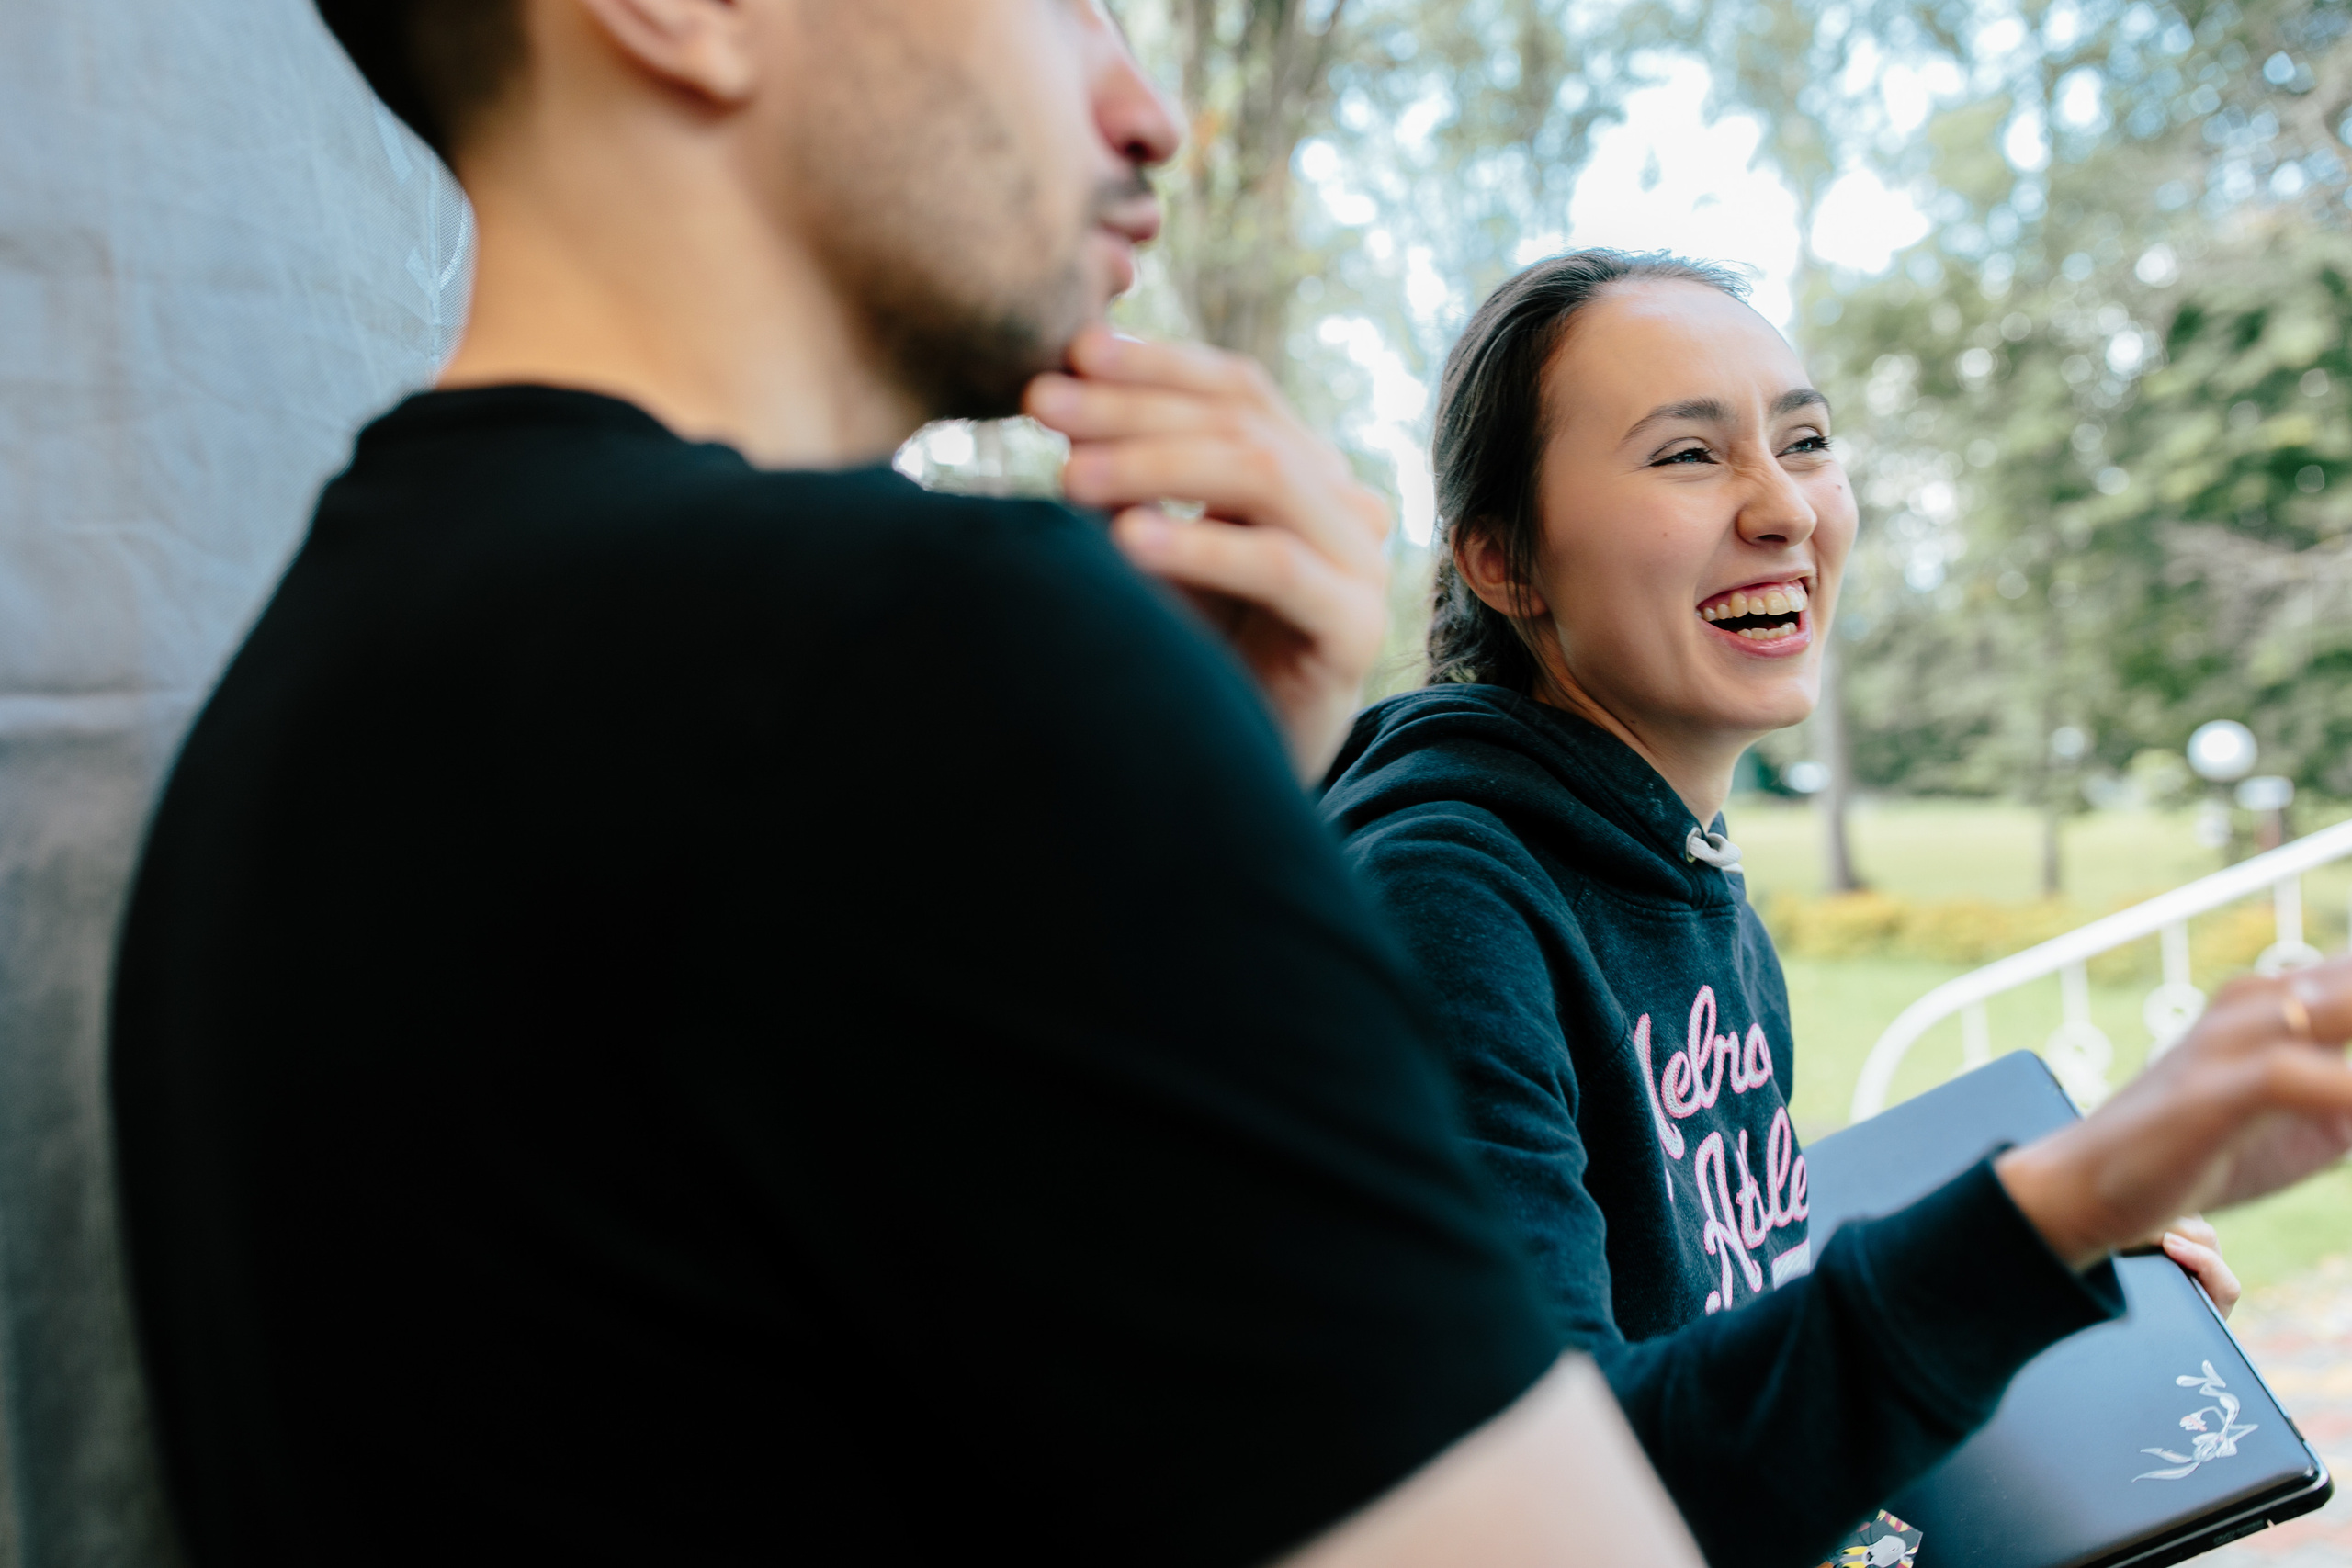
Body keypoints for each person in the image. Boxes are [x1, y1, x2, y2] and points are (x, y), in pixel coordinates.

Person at [105, 7, 2352, 1565]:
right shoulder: (934, 654)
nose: (1145, 99)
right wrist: (2045, 1214)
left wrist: (1235, 795)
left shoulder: (296, 711)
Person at [1321, 247, 2324, 1565]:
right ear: (1504, 560)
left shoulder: (1683, 865)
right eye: (1688, 455)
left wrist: (2021, 1247)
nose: (1785, 506)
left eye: (1806, 441)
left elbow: (1723, 1273)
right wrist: (2054, 1213)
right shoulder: (1442, 900)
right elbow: (1544, 1495)